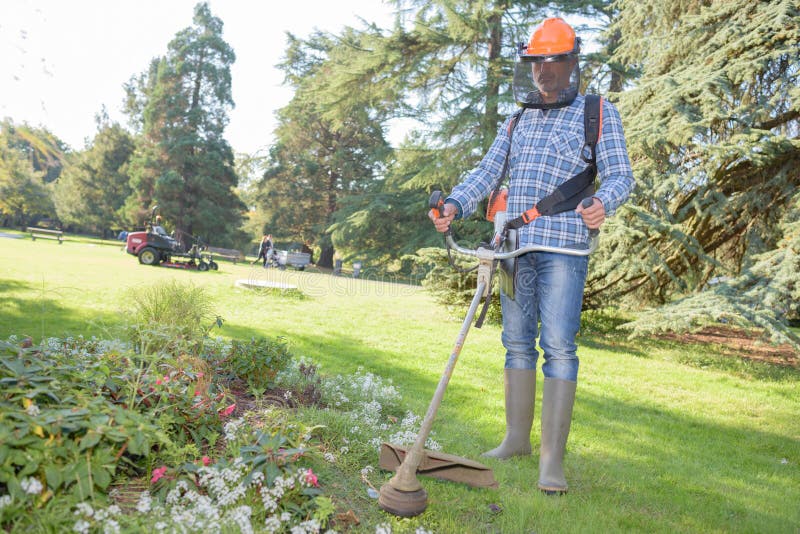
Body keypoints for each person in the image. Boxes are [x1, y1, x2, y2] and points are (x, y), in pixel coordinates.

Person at [429, 17, 634, 495]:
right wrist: (456, 204)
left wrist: (605, 202)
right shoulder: (517, 118)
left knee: (559, 346)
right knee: (516, 342)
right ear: (530, 67)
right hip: (513, 246)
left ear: (571, 64)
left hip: (563, 244)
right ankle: (517, 440)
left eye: (554, 62)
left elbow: (621, 175)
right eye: (537, 63)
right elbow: (487, 170)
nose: (545, 72)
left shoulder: (597, 112)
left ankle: (551, 463)